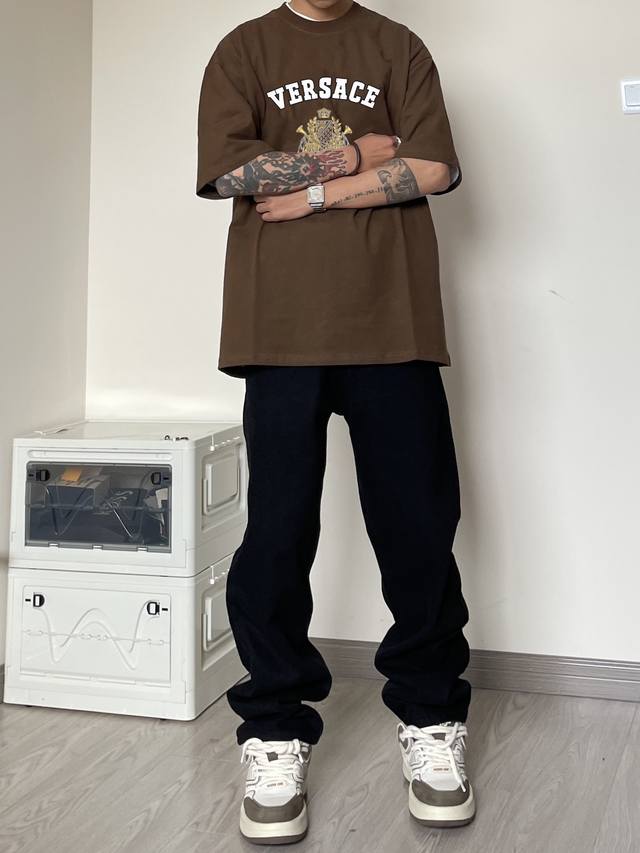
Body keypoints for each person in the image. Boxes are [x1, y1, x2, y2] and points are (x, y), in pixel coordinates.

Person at [196, 0, 474, 843]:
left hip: (394, 320)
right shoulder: (245, 49)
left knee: (418, 527)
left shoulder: (398, 46)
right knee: (277, 532)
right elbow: (230, 174)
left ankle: (431, 717)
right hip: (279, 327)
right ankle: (275, 728)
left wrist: (316, 191)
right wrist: (357, 155)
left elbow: (432, 167)